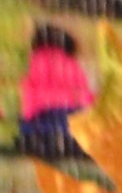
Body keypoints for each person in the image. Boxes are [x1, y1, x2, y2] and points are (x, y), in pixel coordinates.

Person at [18, 23, 93, 159]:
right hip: (73, 121)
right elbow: (86, 97)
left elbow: (32, 96)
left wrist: (26, 119)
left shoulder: (38, 59)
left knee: (34, 133)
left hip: (47, 120)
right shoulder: (72, 63)